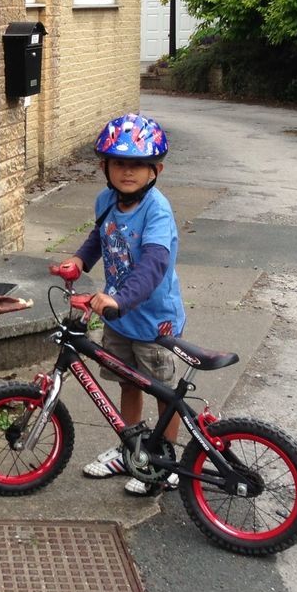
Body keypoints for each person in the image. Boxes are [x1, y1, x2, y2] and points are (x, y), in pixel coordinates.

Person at [60, 112, 186, 496]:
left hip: (152, 320)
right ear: (105, 167)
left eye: (137, 164)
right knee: (128, 385)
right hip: (117, 317)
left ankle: (164, 460)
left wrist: (119, 298)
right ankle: (129, 449)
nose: (127, 171)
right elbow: (100, 237)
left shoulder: (157, 210)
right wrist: (81, 260)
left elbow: (153, 264)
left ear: (155, 170)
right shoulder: (106, 200)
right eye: (119, 163)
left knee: (162, 392)